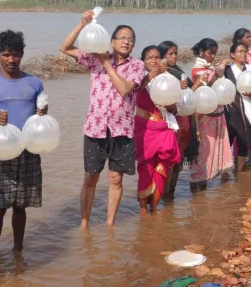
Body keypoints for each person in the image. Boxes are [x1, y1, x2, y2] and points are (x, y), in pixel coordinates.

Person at [60, 13, 146, 228]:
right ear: (112, 41)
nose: (127, 42)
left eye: (131, 39)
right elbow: (65, 47)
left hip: (122, 130)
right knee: (91, 178)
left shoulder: (136, 66)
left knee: (116, 179)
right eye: (123, 38)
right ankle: (84, 223)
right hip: (95, 129)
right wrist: (82, 24)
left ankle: (109, 225)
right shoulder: (94, 58)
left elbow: (125, 89)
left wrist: (106, 62)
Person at [0, 30, 46, 257]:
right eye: (6, 54)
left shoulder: (34, 83)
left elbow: (41, 117)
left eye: (16, 54)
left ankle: (18, 252)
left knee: (21, 206)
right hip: (1, 152)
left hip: (27, 151)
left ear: (22, 55)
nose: (11, 60)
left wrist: (43, 112)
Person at [134, 46, 181, 213]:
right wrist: (151, 76)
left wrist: (171, 107)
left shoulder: (169, 80)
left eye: (156, 57)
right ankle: (142, 208)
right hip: (144, 129)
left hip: (163, 128)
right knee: (145, 168)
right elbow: (131, 93)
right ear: (143, 61)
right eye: (149, 58)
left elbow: (177, 107)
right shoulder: (138, 78)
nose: (153, 61)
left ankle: (154, 203)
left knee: (161, 167)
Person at [189, 38, 234, 187]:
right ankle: (198, 183)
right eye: (210, 53)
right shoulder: (198, 70)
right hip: (206, 117)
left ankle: (209, 178)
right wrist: (218, 69)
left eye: (214, 53)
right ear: (201, 52)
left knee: (217, 149)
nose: (213, 56)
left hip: (217, 115)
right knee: (205, 151)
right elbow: (205, 86)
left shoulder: (209, 68)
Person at [158, 41, 198, 196]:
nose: (175, 56)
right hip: (174, 122)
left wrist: (188, 88)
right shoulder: (163, 75)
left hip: (185, 121)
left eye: (175, 53)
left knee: (178, 160)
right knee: (170, 160)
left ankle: (170, 194)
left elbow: (186, 96)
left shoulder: (178, 72)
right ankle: (164, 195)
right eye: (170, 54)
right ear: (162, 57)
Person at [224, 41, 251, 172]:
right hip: (231, 110)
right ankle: (225, 171)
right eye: (240, 51)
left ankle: (239, 169)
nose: (243, 54)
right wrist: (223, 63)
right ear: (232, 54)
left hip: (247, 108)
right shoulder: (227, 70)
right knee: (228, 139)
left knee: (243, 139)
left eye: (245, 51)